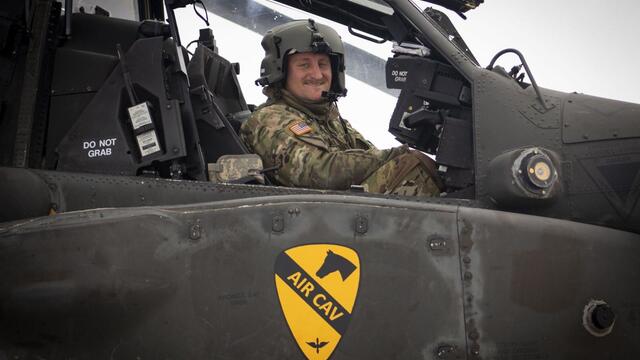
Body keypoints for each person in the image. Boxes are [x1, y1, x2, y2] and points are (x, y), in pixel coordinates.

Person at [240, 19, 442, 196]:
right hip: (310, 225)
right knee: (410, 167)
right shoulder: (269, 119)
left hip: (335, 217)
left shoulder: (329, 119)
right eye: (304, 65)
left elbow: (366, 155)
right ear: (281, 72)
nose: (317, 74)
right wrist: (397, 156)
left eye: (323, 64)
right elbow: (318, 172)